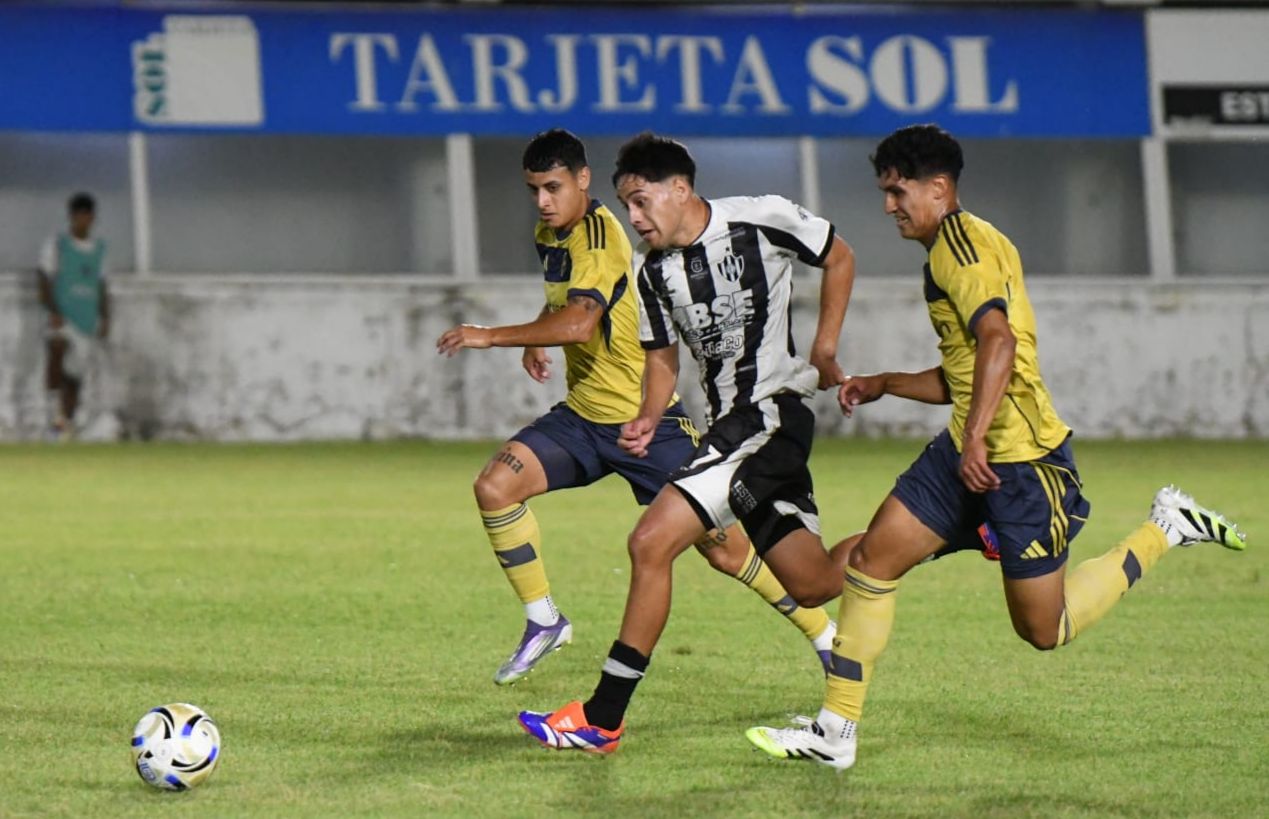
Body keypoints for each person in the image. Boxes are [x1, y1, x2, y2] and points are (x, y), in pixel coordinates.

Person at [745, 124, 1248, 771]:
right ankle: (833, 731)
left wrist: (978, 434)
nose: (888, 205)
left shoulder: (960, 249)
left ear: (938, 187)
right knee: (871, 562)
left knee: (1043, 628)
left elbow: (998, 344)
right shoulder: (957, 247)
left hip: (1022, 464)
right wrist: (887, 384)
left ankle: (1163, 528)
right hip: (965, 452)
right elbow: (966, 367)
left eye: (897, 191)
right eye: (883, 192)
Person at [436, 129, 836, 687]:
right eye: (534, 190)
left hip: (644, 425)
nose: (543, 201)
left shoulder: (603, 238)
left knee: (724, 550)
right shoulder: (553, 232)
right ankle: (543, 620)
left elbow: (580, 322)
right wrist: (535, 333)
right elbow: (567, 300)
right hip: (583, 418)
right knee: (495, 487)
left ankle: (823, 633)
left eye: (553, 187)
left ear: (582, 180)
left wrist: (491, 335)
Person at [516, 132, 862, 754]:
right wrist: (650, 416)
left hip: (769, 415)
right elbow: (662, 361)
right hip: (740, 429)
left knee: (650, 542)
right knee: (812, 582)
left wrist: (826, 347)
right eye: (628, 207)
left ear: (681, 189)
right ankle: (942, 528)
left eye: (643, 202)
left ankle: (602, 718)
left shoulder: (761, 218)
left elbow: (839, 255)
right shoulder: (653, 274)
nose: (636, 218)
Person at [38, 192, 109, 439]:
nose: (81, 221)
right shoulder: (57, 244)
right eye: (77, 216)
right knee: (56, 349)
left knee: (75, 376)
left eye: (86, 216)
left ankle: (63, 426)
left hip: (86, 319)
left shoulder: (99, 249)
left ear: (92, 218)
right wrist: (53, 310)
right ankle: (49, 413)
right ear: (71, 217)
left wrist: (105, 317)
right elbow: (44, 278)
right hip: (62, 315)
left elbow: (102, 285)